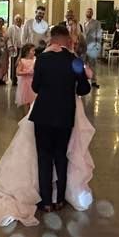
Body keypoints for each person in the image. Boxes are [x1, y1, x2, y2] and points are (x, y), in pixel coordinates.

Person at [32, 25, 93, 211]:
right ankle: (60, 199)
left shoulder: (42, 58)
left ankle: (46, 201)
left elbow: (35, 86)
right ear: (66, 40)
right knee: (61, 155)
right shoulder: (74, 60)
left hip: (43, 113)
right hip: (65, 113)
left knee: (44, 156)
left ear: (52, 39)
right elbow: (84, 89)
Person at [15, 43, 37, 112]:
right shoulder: (22, 61)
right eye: (32, 51)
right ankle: (26, 117)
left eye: (34, 51)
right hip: (25, 84)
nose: (34, 52)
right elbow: (18, 72)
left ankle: (31, 116)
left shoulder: (35, 59)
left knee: (33, 100)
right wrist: (27, 72)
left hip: (34, 82)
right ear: (27, 52)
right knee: (26, 101)